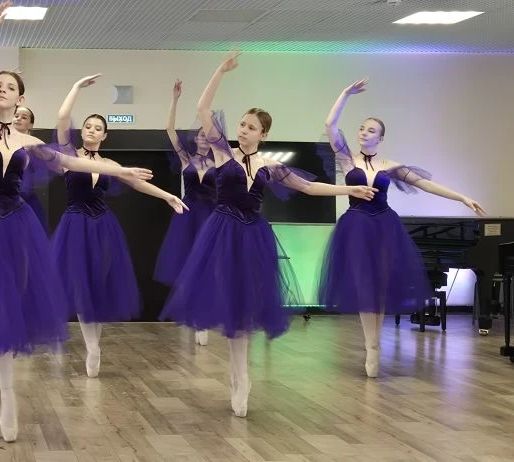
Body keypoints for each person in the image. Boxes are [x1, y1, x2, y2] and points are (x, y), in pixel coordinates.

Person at [0, 1, 154, 443]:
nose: (1, 90)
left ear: (20, 99)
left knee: (11, 305)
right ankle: (5, 395)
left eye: (9, 86)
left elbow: (71, 161)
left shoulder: (29, 141)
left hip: (18, 226)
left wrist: (121, 169)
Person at [160, 51, 377, 417]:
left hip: (253, 235)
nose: (243, 130)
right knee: (229, 299)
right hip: (222, 232)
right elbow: (202, 108)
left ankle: (241, 375)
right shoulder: (222, 153)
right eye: (242, 125)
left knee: (247, 304)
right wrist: (220, 71)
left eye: (250, 127)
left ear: (263, 134)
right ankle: (237, 373)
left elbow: (309, 188)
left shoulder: (270, 166)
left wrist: (349, 189)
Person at [318, 78, 485, 378]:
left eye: (371, 130)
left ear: (380, 138)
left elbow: (426, 184)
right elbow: (330, 124)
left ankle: (375, 344)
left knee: (380, 286)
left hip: (384, 226)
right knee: (364, 285)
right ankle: (371, 345)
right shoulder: (347, 159)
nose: (364, 132)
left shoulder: (390, 165)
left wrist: (462, 197)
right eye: (362, 128)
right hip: (356, 226)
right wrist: (345, 94)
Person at [53, 74, 187, 378]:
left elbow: (137, 183)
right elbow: (61, 118)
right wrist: (75, 87)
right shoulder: (69, 156)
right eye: (88, 126)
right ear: (82, 131)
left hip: (103, 227)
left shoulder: (111, 165)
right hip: (75, 228)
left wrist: (168, 196)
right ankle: (92, 347)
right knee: (82, 287)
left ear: (104, 135)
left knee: (99, 287)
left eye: (97, 128)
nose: (91, 130)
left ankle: (95, 346)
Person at [153, 80, 218, 346]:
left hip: (211, 216)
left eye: (207, 134)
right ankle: (193, 316)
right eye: (199, 134)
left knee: (208, 267)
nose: (202, 137)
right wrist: (175, 99)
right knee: (187, 265)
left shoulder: (221, 162)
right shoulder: (186, 159)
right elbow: (170, 130)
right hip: (189, 215)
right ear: (196, 138)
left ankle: (204, 318)